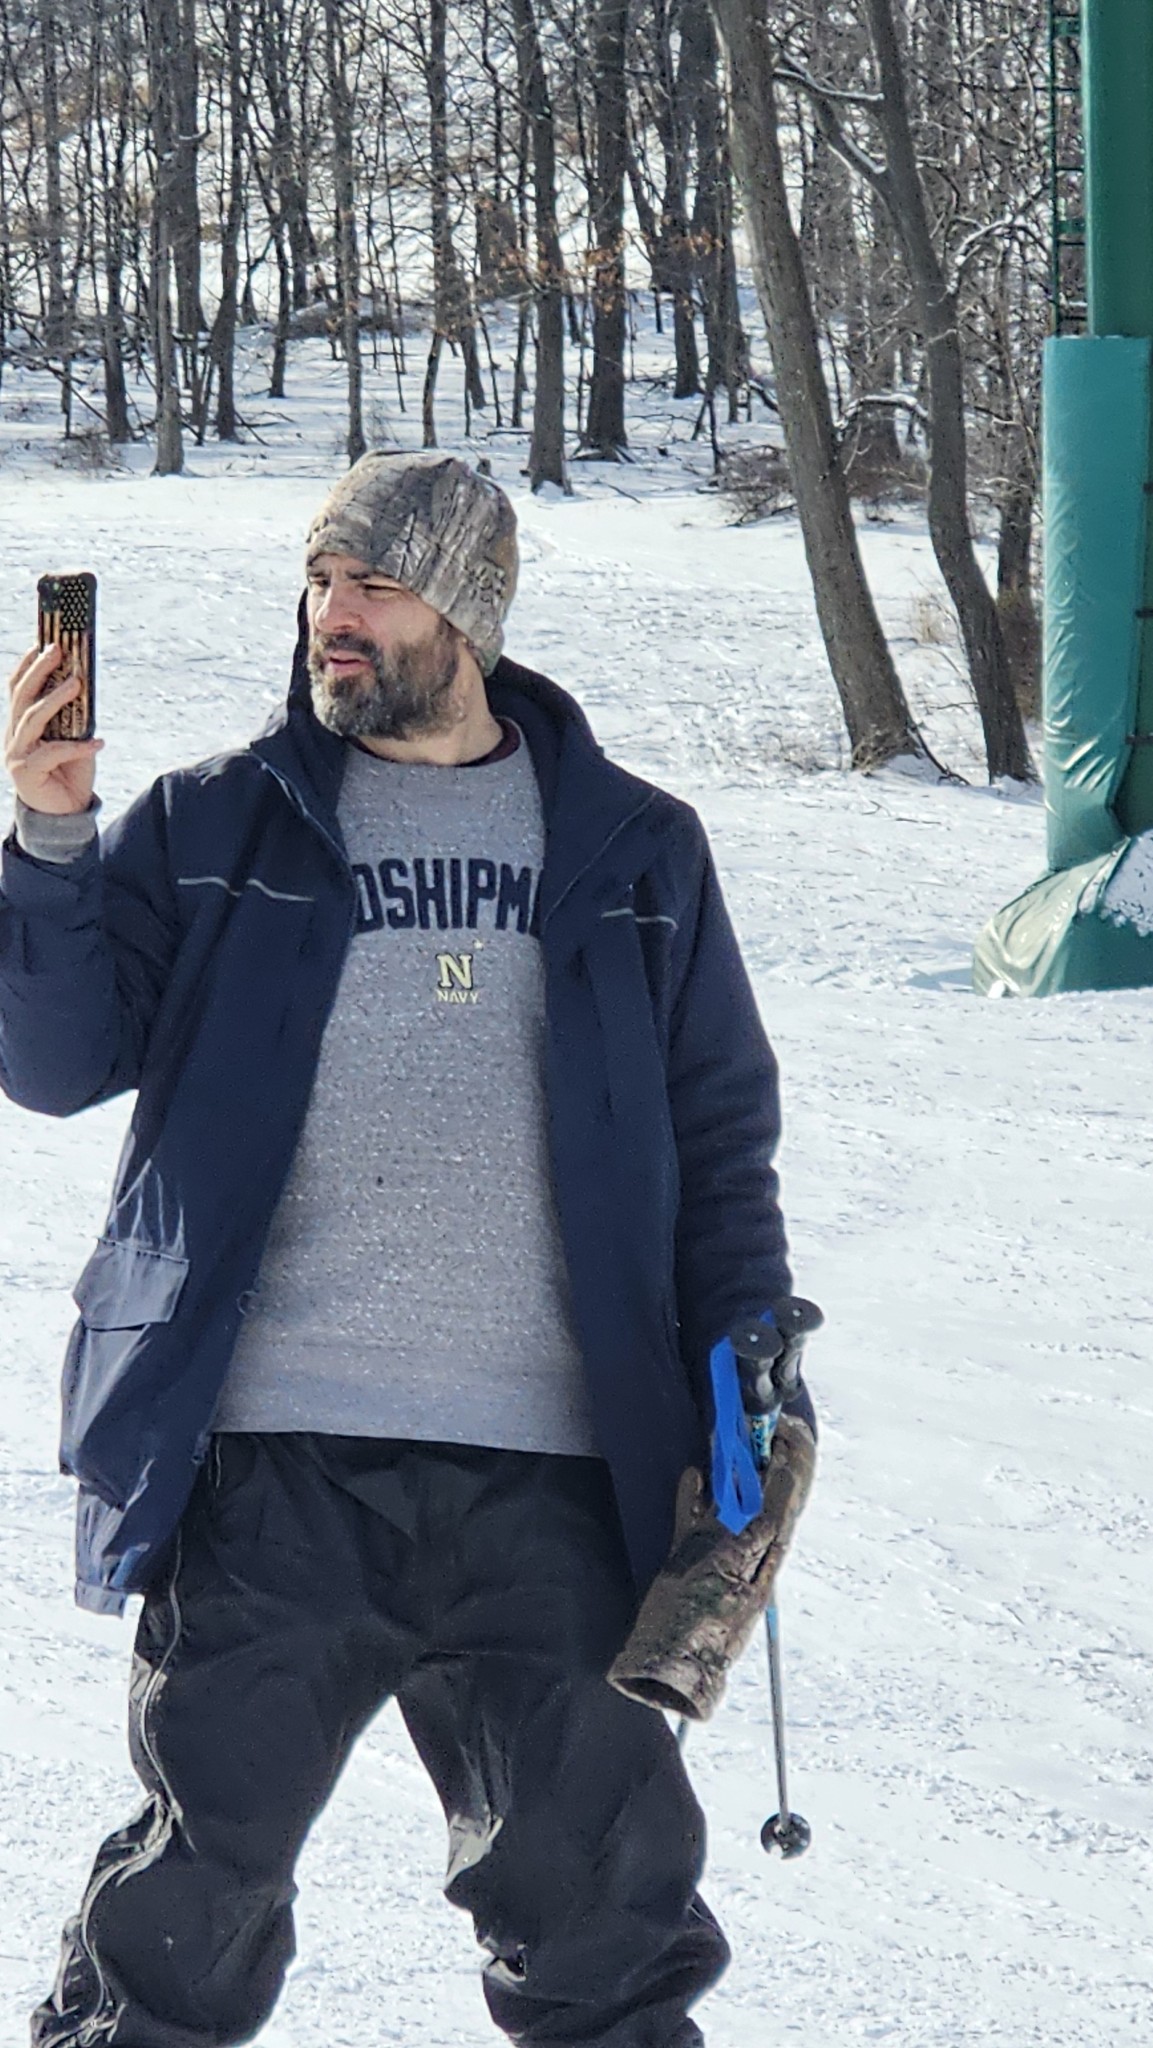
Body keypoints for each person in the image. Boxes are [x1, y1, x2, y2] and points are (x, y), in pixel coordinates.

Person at [1, 452, 814, 2048]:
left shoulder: (634, 846)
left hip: (554, 1477)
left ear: (468, 610)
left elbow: (719, 1130)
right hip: (271, 1467)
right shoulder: (217, 821)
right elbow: (54, 1060)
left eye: (373, 584)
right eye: (320, 582)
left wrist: (748, 1357)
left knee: (603, 1921)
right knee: (188, 1909)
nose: (334, 615)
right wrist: (50, 833)